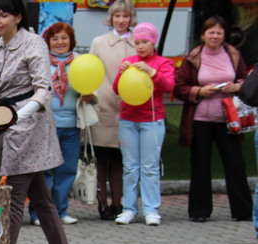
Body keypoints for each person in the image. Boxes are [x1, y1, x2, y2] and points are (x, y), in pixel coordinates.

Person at [0, 0, 73, 244]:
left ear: (18, 17)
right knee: (41, 198)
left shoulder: (33, 44)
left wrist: (19, 115)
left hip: (30, 127)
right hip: (7, 124)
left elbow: (44, 91)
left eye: (3, 15)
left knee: (14, 200)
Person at [173, 16, 251, 223]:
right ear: (203, 35)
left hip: (229, 120)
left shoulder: (234, 55)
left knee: (235, 164)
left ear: (224, 36)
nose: (215, 36)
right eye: (211, 32)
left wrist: (238, 86)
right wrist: (199, 91)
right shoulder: (192, 57)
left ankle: (243, 211)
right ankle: (199, 211)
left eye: (219, 33)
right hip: (200, 120)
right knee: (200, 165)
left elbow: (246, 80)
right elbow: (179, 87)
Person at [112, 22, 174, 226]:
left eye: (145, 42)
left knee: (149, 166)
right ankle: (128, 208)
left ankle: (151, 209)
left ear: (153, 42)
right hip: (128, 119)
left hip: (152, 121)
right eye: (137, 42)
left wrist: (152, 72)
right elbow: (117, 89)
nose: (140, 46)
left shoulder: (163, 63)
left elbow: (169, 85)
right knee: (130, 166)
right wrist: (121, 73)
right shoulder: (128, 61)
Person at [89, 0, 136, 221]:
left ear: (131, 18)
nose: (121, 20)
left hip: (129, 108)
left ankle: (118, 203)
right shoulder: (99, 42)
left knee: (120, 159)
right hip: (103, 106)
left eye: (125, 16)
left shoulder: (140, 42)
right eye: (117, 16)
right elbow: (90, 72)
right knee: (101, 158)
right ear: (111, 18)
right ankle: (102, 204)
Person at [43, 22, 82, 226]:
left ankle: (61, 210)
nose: (60, 42)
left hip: (72, 125)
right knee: (45, 171)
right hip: (47, 125)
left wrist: (91, 97)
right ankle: (40, 213)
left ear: (71, 41)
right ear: (48, 41)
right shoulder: (41, 62)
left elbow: (92, 95)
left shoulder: (80, 64)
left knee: (67, 169)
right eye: (55, 38)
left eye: (64, 38)